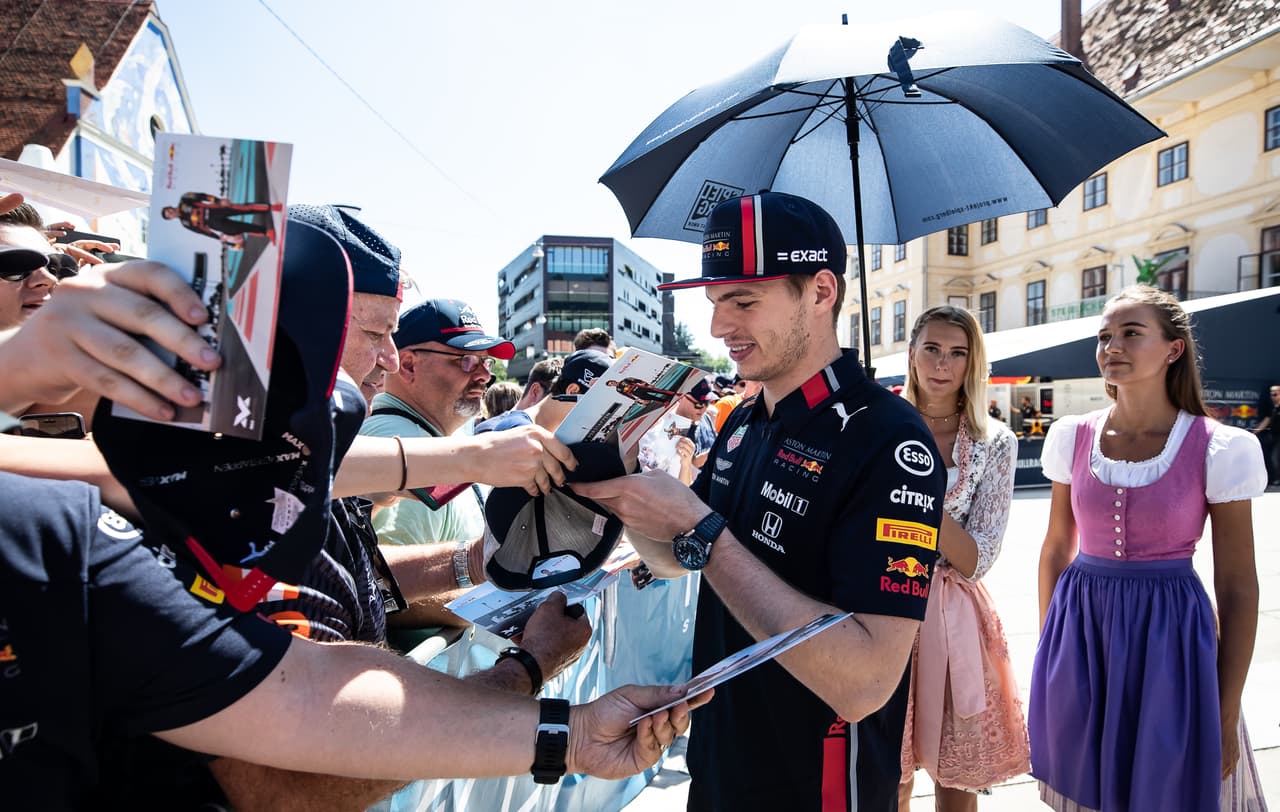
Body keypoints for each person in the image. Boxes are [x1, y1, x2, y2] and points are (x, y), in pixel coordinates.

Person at [572, 191, 946, 811]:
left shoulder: (889, 438)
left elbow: (866, 682)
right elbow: (678, 557)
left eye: (744, 301)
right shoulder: (745, 419)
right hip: (720, 759)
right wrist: (626, 487)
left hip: (817, 784)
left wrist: (702, 529)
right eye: (716, 303)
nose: (720, 327)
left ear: (822, 292)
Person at [1030, 285, 1267, 811]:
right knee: (1089, 784)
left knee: (1166, 786)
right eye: (1104, 336)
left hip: (1172, 640)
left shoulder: (1220, 446)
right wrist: (1052, 652)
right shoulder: (1073, 435)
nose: (1111, 346)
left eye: (1130, 334)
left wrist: (1226, 712)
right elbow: (1054, 550)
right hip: (1081, 632)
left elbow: (1237, 586)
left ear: (1173, 349)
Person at [896, 306, 1028, 812]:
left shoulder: (995, 442)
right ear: (911, 354)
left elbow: (976, 558)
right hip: (881, 605)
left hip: (955, 619)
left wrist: (916, 491)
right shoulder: (877, 430)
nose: (941, 364)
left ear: (973, 363)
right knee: (889, 771)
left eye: (958, 352)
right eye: (931, 348)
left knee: (957, 776)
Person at [476, 349, 612, 434]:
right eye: (601, 403)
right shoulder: (518, 430)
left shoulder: (544, 432)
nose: (605, 413)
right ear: (572, 392)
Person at [160, 192, 280, 248]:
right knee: (238, 228)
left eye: (169, 211)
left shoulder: (184, 199)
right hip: (214, 224)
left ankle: (271, 207)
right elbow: (203, 231)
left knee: (243, 209)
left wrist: (218, 201)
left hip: (216, 209)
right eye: (169, 216)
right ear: (171, 219)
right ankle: (267, 232)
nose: (171, 213)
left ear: (171, 207)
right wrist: (219, 238)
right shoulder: (185, 224)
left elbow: (203, 196)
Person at [1250, 384, 1280, 485]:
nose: (1273, 396)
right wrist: (1254, 432)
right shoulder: (1273, 408)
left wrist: (1254, 432)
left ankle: (1277, 479)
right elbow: (1267, 420)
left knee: (1274, 457)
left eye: (1275, 394)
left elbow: (1267, 420)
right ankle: (1272, 479)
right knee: (1270, 457)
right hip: (1273, 437)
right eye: (1272, 394)